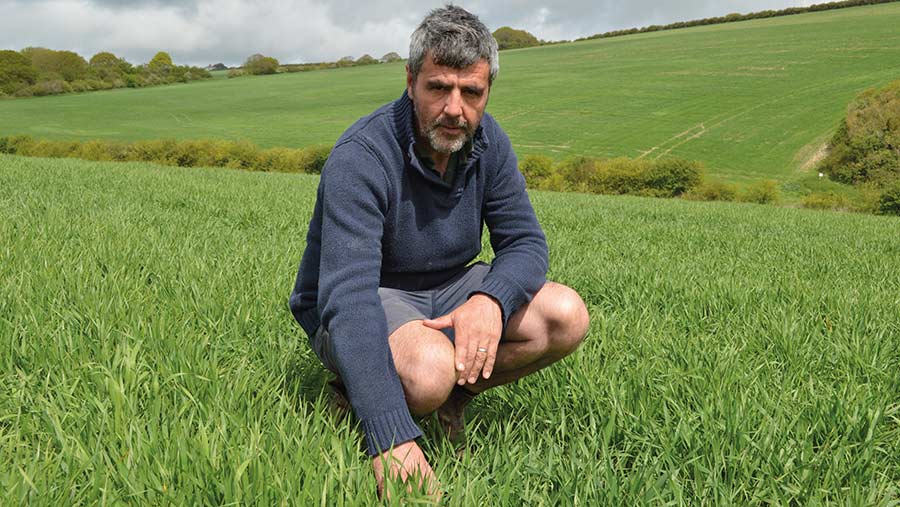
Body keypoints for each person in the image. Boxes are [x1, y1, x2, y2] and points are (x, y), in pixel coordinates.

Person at [289, 5, 590, 498]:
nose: (455, 109)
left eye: (471, 92)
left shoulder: (489, 144)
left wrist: (489, 302)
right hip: (366, 300)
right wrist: (390, 439)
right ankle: (361, 397)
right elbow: (347, 299)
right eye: (438, 88)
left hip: (450, 288)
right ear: (410, 81)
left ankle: (453, 400)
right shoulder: (361, 158)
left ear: (488, 88)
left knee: (565, 315)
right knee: (428, 370)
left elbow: (526, 243)